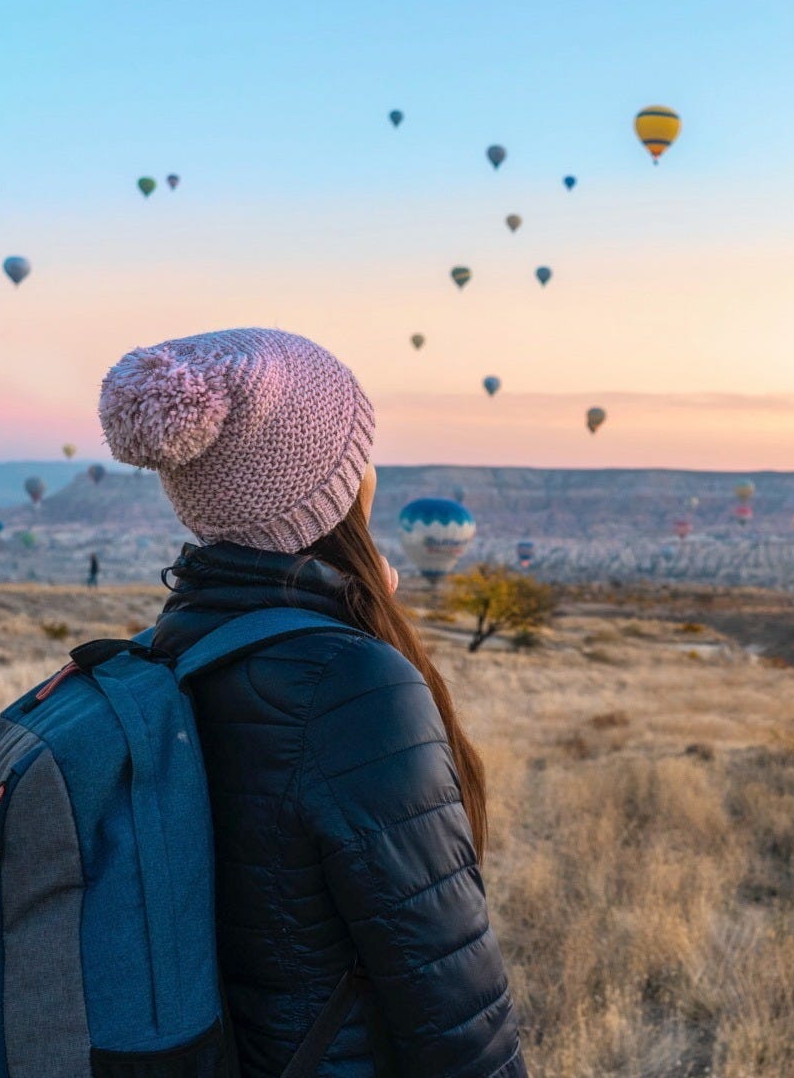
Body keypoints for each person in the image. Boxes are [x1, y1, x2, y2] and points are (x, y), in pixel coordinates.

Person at [98, 328, 526, 1077]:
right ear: (333, 483)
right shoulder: (350, 683)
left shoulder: (174, 648)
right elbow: (450, 998)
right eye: (359, 453)